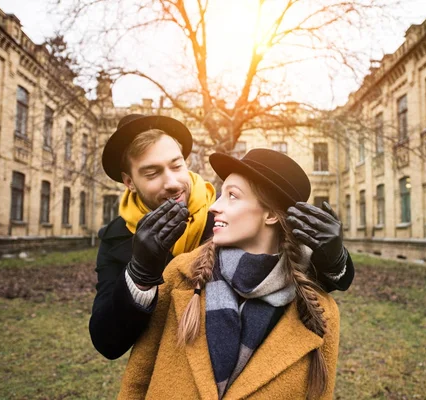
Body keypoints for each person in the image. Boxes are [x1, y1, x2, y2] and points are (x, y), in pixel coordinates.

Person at [91, 113, 355, 360]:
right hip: (166, 370)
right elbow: (108, 343)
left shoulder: (223, 218)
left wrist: (334, 258)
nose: (172, 182)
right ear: (129, 181)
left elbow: (290, 277)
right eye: (152, 173)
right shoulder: (117, 237)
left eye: (176, 165)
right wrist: (139, 274)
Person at [117, 149, 341, 400]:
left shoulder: (319, 311)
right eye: (221, 194)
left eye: (232, 196)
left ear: (269, 215)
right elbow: (137, 381)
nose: (214, 206)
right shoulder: (180, 275)